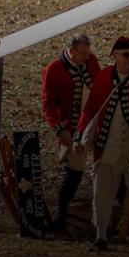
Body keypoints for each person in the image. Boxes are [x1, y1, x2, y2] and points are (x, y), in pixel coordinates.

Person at [75, 37, 129, 251]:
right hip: (108, 148)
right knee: (101, 195)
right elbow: (90, 110)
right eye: (126, 54)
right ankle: (101, 236)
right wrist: (79, 136)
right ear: (114, 55)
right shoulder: (104, 77)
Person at [42, 34, 100, 232]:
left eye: (88, 53)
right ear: (72, 51)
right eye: (82, 53)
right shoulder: (54, 69)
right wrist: (60, 129)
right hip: (72, 129)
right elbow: (48, 104)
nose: (87, 57)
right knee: (73, 173)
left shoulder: (91, 61)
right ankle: (62, 216)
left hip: (95, 124)